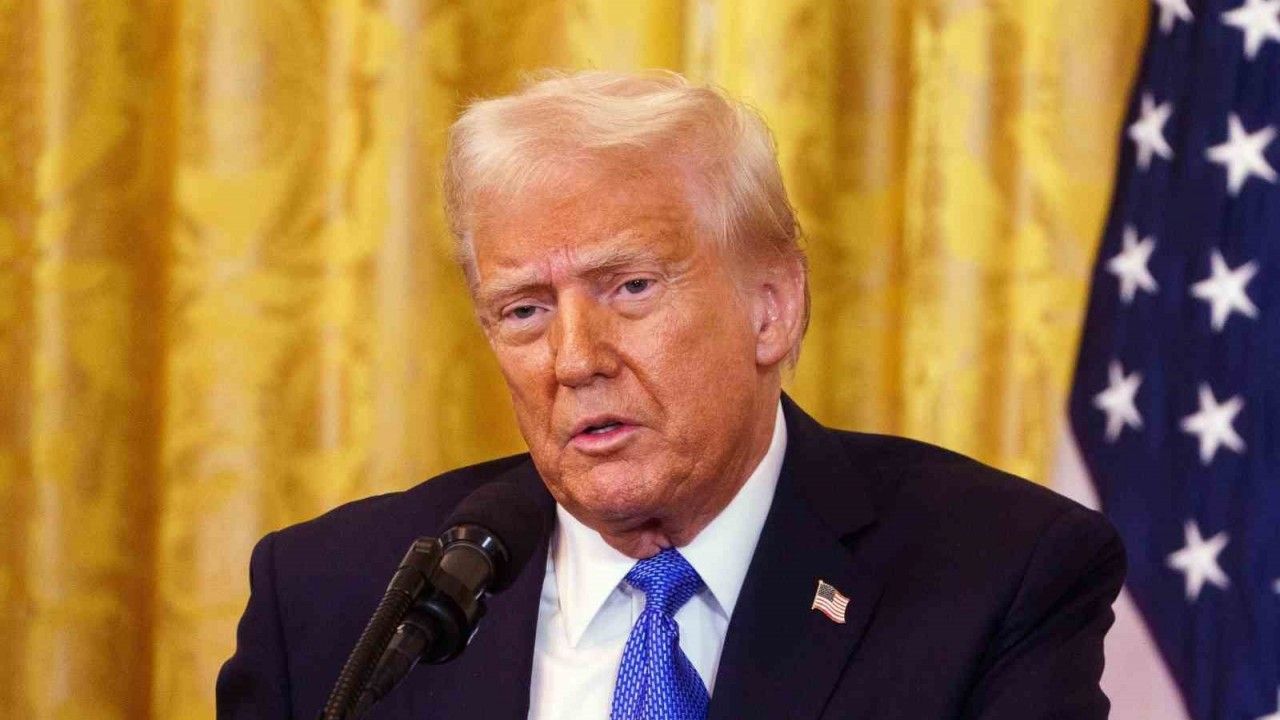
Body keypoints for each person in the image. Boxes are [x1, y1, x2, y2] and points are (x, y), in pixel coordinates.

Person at [217, 70, 1125, 720]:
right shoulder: (339, 604)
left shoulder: (995, 576)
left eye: (631, 288)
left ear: (772, 308)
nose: (574, 360)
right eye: (524, 310)